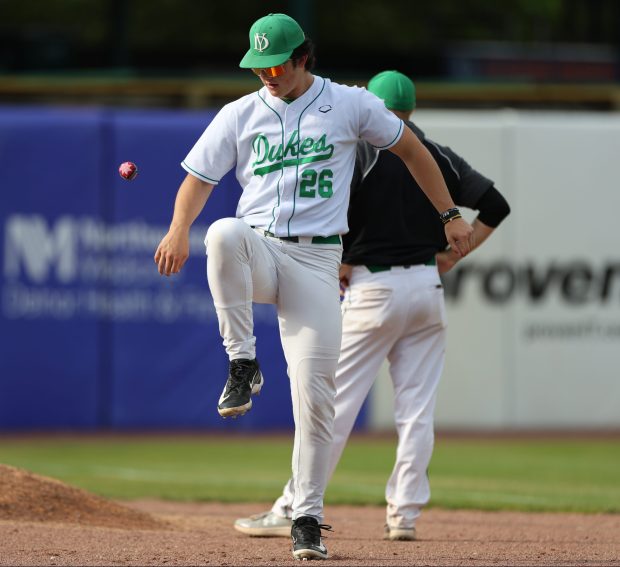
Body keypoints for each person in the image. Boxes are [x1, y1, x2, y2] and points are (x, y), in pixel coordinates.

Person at [154, 11, 474, 559]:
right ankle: (242, 362)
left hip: (318, 261)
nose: (268, 75)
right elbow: (197, 180)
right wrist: (178, 228)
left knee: (316, 398)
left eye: (277, 64)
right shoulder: (241, 113)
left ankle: (306, 518)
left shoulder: (349, 103)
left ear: (304, 57)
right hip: (261, 248)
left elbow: (414, 152)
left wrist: (449, 214)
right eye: (258, 67)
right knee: (224, 233)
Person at [233, 70, 510, 542]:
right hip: (426, 287)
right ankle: (404, 516)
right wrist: (451, 256)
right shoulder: (436, 155)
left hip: (371, 289)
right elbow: (496, 206)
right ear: (412, 107)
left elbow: (327, 216)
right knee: (417, 411)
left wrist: (337, 261)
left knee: (331, 406)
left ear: (374, 107)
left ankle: (290, 507)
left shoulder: (359, 151)